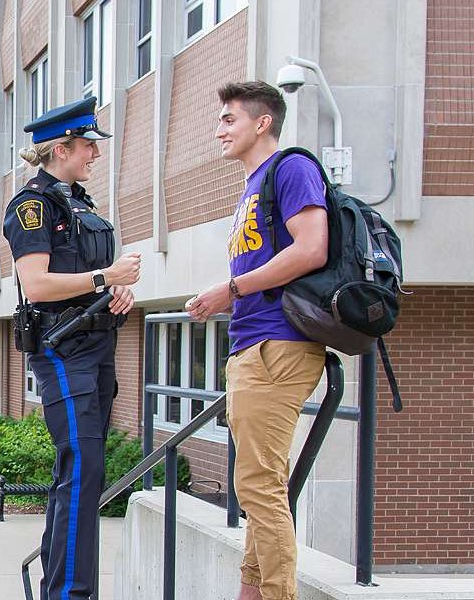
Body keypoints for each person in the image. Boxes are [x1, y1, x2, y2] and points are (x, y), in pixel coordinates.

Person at [184, 81, 330, 600]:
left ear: (261, 122)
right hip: (255, 346)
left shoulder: (291, 168)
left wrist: (231, 288)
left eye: (229, 119)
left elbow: (312, 247)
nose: (219, 129)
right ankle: (251, 592)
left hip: (278, 344)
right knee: (260, 484)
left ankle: (276, 594)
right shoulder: (254, 184)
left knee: (260, 487)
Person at [2, 96, 142, 600]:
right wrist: (107, 275)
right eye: (88, 146)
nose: (95, 156)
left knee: (80, 475)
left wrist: (114, 291)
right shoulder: (32, 205)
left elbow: (85, 282)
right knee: (82, 470)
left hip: (98, 345)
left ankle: (59, 588)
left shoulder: (80, 203)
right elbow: (37, 285)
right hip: (63, 351)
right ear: (61, 148)